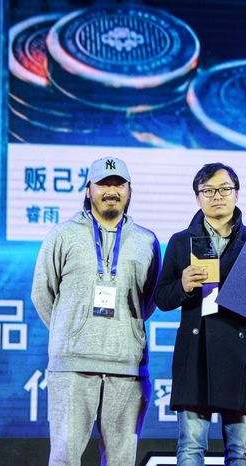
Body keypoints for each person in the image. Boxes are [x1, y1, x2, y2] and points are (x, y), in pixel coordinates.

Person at [31, 157, 160, 466]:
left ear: (129, 191)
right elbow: (42, 293)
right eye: (103, 184)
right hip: (72, 366)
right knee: (64, 459)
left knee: (121, 462)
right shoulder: (62, 235)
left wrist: (125, 333)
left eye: (118, 184)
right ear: (88, 189)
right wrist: (70, 330)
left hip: (128, 367)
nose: (111, 191)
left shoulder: (147, 240)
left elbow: (149, 299)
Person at [154, 163, 246, 465]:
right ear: (197, 198)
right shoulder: (181, 242)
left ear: (237, 194)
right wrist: (183, 286)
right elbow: (162, 298)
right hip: (195, 354)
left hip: (239, 354)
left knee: (240, 451)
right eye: (208, 190)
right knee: (190, 448)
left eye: (224, 189)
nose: (217, 196)